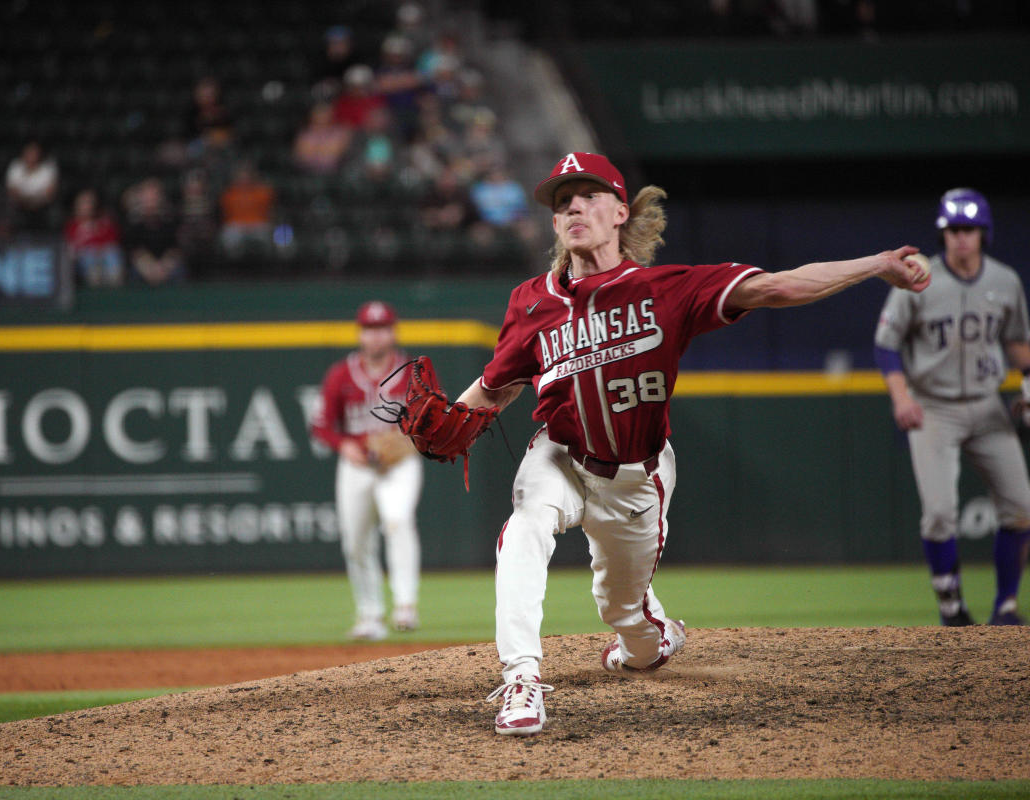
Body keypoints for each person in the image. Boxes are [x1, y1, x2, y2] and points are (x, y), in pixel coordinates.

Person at [439, 152, 930, 736]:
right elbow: (496, 386)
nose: (573, 206)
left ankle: (650, 639)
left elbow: (777, 287)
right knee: (524, 527)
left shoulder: (665, 290)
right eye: (562, 201)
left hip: (634, 479)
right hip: (560, 455)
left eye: (589, 195)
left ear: (621, 212)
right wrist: (449, 416)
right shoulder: (531, 302)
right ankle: (521, 681)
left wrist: (875, 264)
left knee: (626, 618)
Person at [874, 187, 1030, 627]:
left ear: (984, 233)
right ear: (943, 234)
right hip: (933, 407)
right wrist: (902, 397)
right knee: (940, 515)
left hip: (987, 404)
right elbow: (887, 345)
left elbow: (1019, 347)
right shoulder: (919, 280)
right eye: (953, 229)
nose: (961, 238)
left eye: (969, 229)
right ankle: (951, 609)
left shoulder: (1004, 281)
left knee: (1021, 508)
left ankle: (1005, 607)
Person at [311, 301, 423, 641]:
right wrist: (343, 445)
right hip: (357, 464)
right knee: (356, 542)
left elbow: (434, 418)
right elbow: (322, 425)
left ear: (393, 332)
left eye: (382, 328)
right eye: (369, 329)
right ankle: (370, 615)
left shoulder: (413, 372)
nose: (375, 336)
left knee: (397, 520)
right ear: (360, 334)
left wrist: (411, 439)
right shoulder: (341, 375)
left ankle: (405, 605)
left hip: (400, 464)